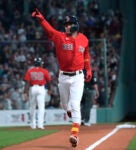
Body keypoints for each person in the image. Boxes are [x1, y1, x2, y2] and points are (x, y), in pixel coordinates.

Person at [31, 9, 92, 148]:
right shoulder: (60, 37)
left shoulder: (84, 39)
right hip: (63, 76)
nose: (67, 26)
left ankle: (74, 135)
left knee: (75, 104)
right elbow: (49, 30)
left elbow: (86, 55)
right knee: (65, 106)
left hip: (78, 77)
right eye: (65, 24)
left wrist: (88, 69)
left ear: (76, 25)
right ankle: (71, 114)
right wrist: (41, 19)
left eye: (69, 24)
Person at [24, 57, 51, 129]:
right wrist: (49, 89)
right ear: (40, 63)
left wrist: (25, 92)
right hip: (41, 88)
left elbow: (27, 82)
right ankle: (40, 125)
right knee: (41, 107)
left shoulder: (30, 71)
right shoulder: (44, 71)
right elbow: (48, 82)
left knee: (32, 107)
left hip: (32, 88)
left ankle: (33, 125)